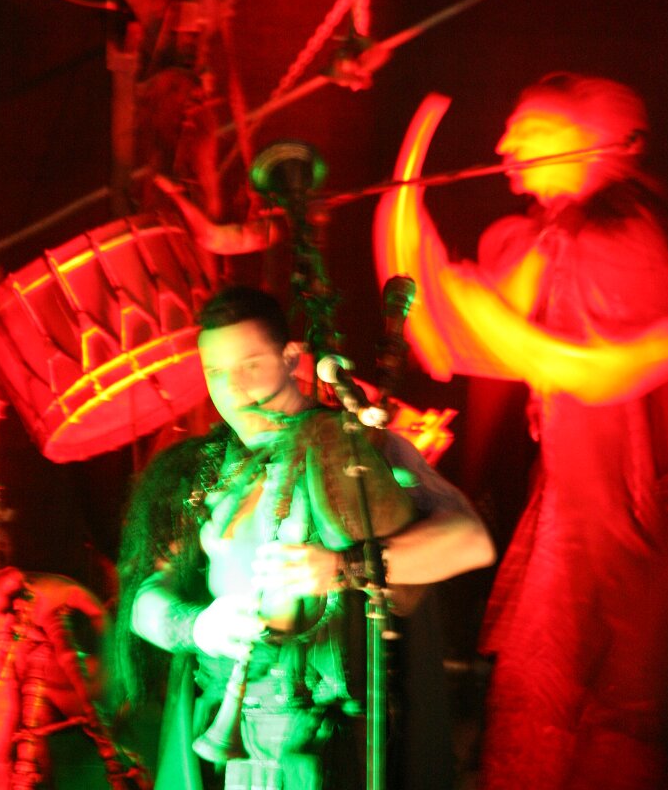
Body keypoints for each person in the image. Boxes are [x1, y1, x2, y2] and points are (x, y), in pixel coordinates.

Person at [377, 73, 668, 790]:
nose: (505, 145)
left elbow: (600, 370)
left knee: (600, 705)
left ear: (593, 142)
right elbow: (454, 336)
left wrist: (481, 308)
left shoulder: (620, 235)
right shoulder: (548, 238)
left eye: (530, 129)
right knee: (551, 693)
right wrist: (408, 206)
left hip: (626, 524)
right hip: (574, 509)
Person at [114, 284, 495, 790]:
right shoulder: (200, 471)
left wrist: (342, 568)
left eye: (251, 364)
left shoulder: (358, 448)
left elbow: (470, 541)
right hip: (224, 739)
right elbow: (144, 601)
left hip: (330, 743)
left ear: (291, 357)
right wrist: (198, 626)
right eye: (216, 372)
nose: (234, 388)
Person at [0, 566, 150, 790]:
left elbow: (92, 622)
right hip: (64, 652)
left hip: (73, 653)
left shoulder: (50, 603)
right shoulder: (26, 606)